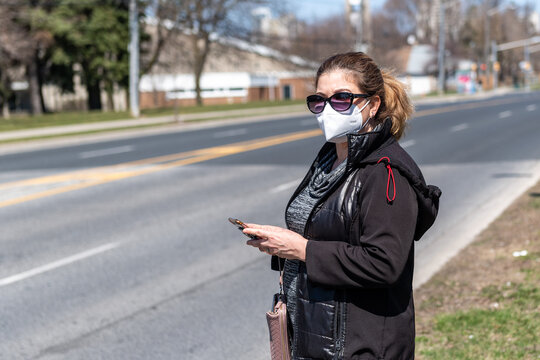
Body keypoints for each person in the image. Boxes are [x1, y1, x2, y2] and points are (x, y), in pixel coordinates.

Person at [244, 52, 441, 360]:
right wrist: (282, 246)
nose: (327, 109)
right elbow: (328, 230)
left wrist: (301, 249)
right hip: (314, 333)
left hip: (359, 346)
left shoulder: (384, 171)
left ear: (372, 104)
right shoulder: (329, 159)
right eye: (320, 100)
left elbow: (384, 263)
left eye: (341, 98)